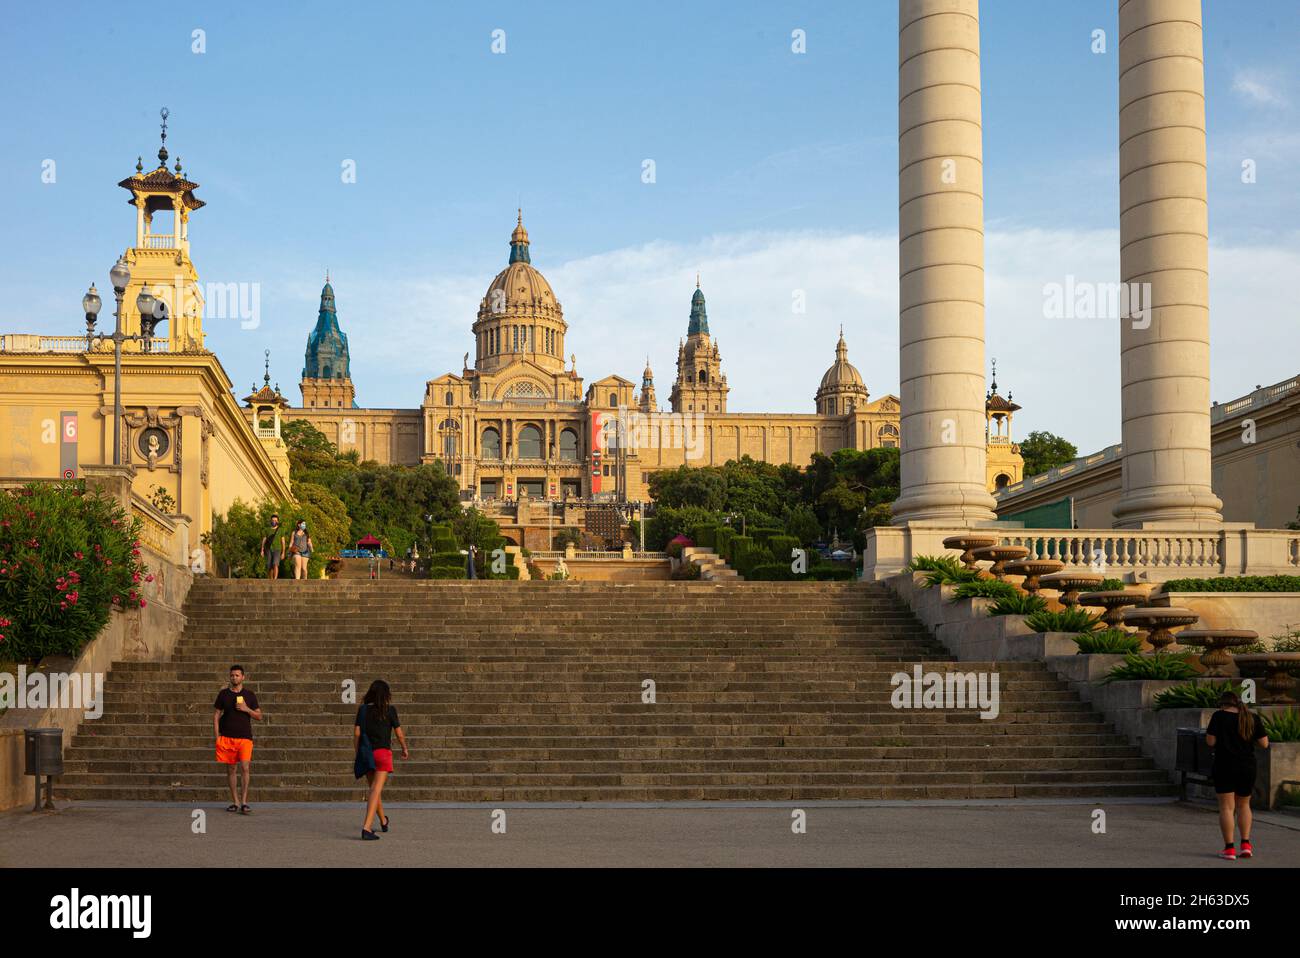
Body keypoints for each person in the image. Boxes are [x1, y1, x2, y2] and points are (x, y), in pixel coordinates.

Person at [1205, 690, 1269, 860]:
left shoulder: (1218, 716)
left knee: (1227, 807)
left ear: (1223, 704)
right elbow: (1264, 743)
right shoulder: (1251, 717)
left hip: (1224, 765)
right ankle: (1246, 845)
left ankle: (1229, 848)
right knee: (1244, 805)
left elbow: (1210, 742)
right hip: (1247, 766)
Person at [355, 679, 408, 840]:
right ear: (386, 695)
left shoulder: (363, 710)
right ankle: (366, 828)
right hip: (383, 753)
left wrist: (358, 751)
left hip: (368, 754)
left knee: (373, 790)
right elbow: (399, 733)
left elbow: (357, 733)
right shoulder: (390, 710)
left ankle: (383, 820)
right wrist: (404, 747)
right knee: (376, 790)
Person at [213, 665, 262, 814]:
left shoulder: (250, 695)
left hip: (245, 738)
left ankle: (245, 802)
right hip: (227, 737)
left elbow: (259, 716)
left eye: (237, 675)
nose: (234, 677)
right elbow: (216, 715)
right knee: (231, 769)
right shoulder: (223, 694)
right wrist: (217, 737)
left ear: (243, 677)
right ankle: (235, 801)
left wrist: (246, 709)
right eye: (232, 675)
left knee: (245, 768)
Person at [260, 514, 283, 579]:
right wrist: (262, 550)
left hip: (277, 549)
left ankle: (275, 579)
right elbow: (264, 539)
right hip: (268, 549)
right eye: (273, 520)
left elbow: (283, 541)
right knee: (269, 565)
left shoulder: (280, 530)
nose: (274, 521)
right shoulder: (267, 530)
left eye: (275, 520)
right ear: (270, 521)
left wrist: (283, 552)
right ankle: (271, 579)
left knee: (275, 564)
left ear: (278, 521)